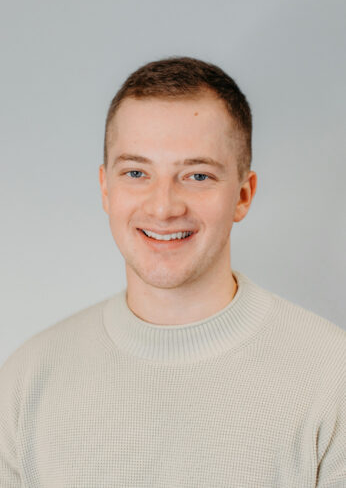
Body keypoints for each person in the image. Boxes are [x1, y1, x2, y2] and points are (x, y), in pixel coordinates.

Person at [0, 57, 345, 487]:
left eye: (197, 175)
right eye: (137, 173)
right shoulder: (27, 381)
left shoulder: (333, 377)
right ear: (106, 189)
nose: (163, 207)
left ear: (243, 195)